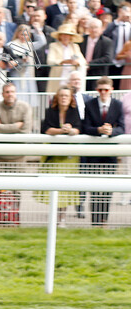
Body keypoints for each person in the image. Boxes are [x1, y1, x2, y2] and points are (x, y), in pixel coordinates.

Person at [82, 76, 124, 227]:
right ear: (97, 90)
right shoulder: (90, 104)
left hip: (110, 153)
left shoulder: (118, 105)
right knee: (94, 188)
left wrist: (111, 131)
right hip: (93, 153)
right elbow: (85, 127)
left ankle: (104, 220)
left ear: (111, 90)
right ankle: (94, 221)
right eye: (100, 90)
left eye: (106, 90)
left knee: (108, 188)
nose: (103, 92)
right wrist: (98, 130)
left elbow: (122, 127)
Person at [37, 85, 82, 227]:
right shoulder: (51, 111)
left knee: (65, 189)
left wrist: (71, 131)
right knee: (53, 187)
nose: (63, 98)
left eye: (66, 96)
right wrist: (60, 130)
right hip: (53, 155)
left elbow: (79, 128)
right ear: (57, 97)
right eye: (61, 95)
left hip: (69, 156)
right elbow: (45, 129)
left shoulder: (74, 112)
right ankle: (54, 219)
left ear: (71, 99)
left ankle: (62, 220)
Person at [0, 82, 32, 171]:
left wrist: (1, 126)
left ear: (16, 93)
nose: (10, 94)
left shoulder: (25, 107)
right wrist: (17, 126)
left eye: (12, 91)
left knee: (18, 184)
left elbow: (26, 130)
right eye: (7, 92)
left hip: (19, 156)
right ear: (2, 94)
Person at [47, 23, 87, 94]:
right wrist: (62, 62)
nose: (66, 37)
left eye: (68, 35)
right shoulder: (54, 46)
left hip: (72, 78)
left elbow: (83, 61)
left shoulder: (75, 47)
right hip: (59, 77)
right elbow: (50, 61)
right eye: (63, 35)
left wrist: (76, 62)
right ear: (60, 36)